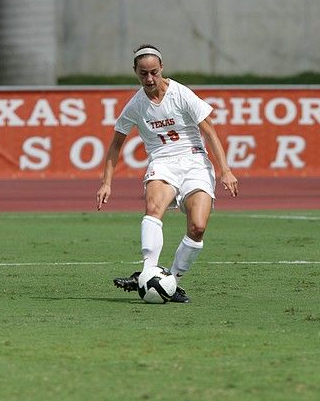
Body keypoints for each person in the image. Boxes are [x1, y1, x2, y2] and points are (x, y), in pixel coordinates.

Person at [96, 44, 238, 303]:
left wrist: (225, 171)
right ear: (135, 72)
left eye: (153, 72)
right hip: (162, 162)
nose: (149, 79)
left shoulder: (181, 94)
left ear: (161, 68)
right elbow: (116, 144)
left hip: (195, 161)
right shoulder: (136, 105)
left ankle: (170, 282)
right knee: (153, 209)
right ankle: (149, 271)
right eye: (143, 74)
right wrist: (106, 183)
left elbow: (210, 132)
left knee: (198, 227)